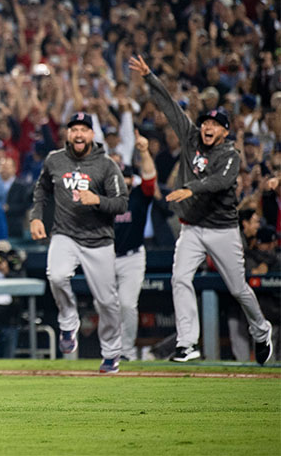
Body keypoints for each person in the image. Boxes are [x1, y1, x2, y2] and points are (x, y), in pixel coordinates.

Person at [129, 55, 273, 365]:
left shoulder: (229, 154)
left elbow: (222, 182)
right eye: (206, 122)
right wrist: (150, 77)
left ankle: (261, 330)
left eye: (215, 125)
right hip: (192, 227)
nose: (207, 127)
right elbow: (169, 106)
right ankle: (186, 343)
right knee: (179, 278)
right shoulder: (192, 136)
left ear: (224, 132)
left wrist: (190, 188)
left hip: (222, 229)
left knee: (237, 288)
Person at [30, 111, 128, 374]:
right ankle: (68, 320)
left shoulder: (106, 165)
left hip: (99, 240)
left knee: (106, 302)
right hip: (65, 234)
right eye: (74, 129)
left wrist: (97, 200)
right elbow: (41, 191)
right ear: (68, 134)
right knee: (57, 275)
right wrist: (36, 218)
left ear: (92, 135)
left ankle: (110, 353)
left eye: (84, 129)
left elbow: (121, 203)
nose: (78, 134)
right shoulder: (55, 160)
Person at [114, 131, 157, 361]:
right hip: (106, 258)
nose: (123, 181)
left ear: (132, 180)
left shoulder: (139, 195)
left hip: (132, 257)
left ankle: (127, 352)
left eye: (126, 177)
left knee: (128, 304)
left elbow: (150, 176)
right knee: (105, 306)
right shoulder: (105, 198)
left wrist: (143, 152)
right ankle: (110, 350)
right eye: (118, 177)